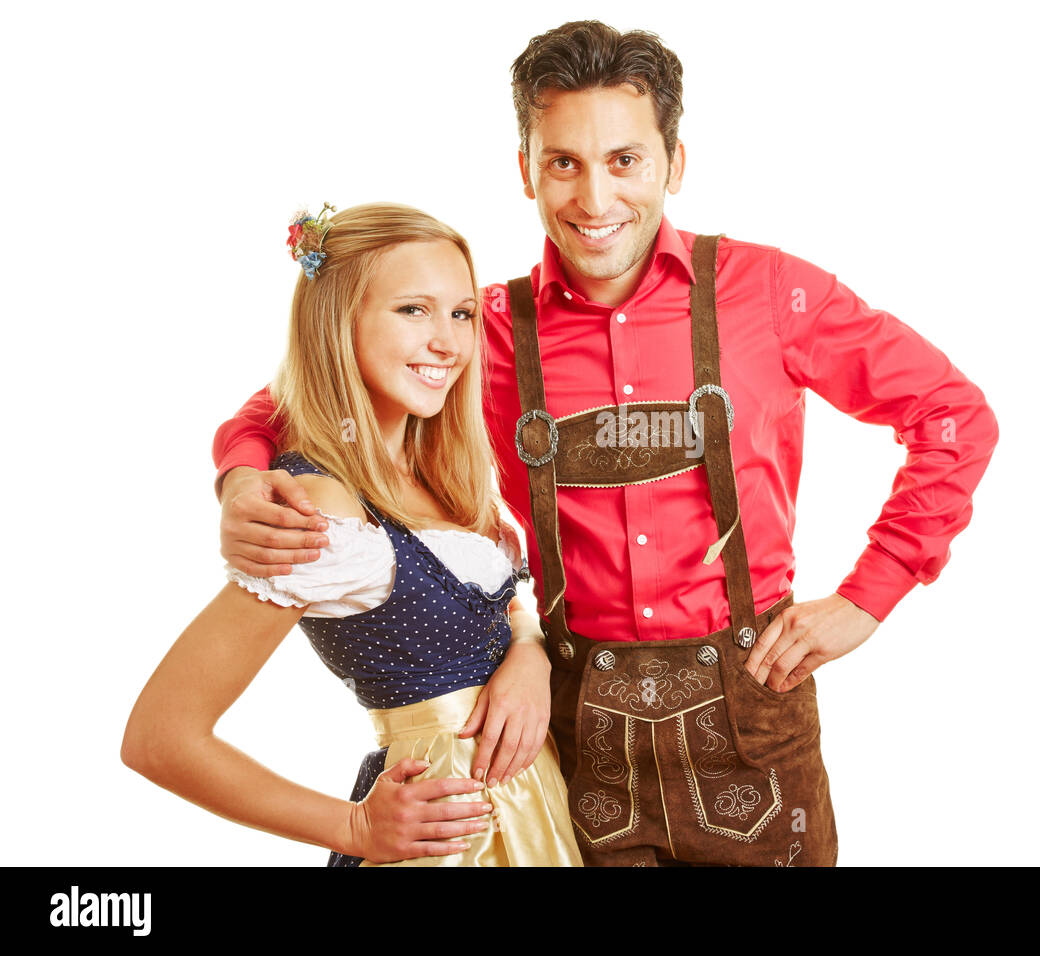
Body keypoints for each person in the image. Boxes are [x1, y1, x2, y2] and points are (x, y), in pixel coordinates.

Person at [212, 22, 999, 867]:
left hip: (755, 716)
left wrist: (869, 594)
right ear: (526, 170)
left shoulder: (769, 292)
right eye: (564, 163)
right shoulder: (479, 327)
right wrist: (241, 479)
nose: (595, 200)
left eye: (625, 160)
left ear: (674, 162)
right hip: (579, 728)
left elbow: (951, 413)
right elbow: (299, 393)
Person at [123, 202, 582, 866]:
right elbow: (160, 737)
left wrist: (529, 653)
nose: (449, 343)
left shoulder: (437, 470)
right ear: (339, 324)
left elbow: (506, 601)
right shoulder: (318, 505)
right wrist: (353, 830)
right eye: (412, 310)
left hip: (531, 810)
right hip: (447, 836)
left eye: (461, 314)